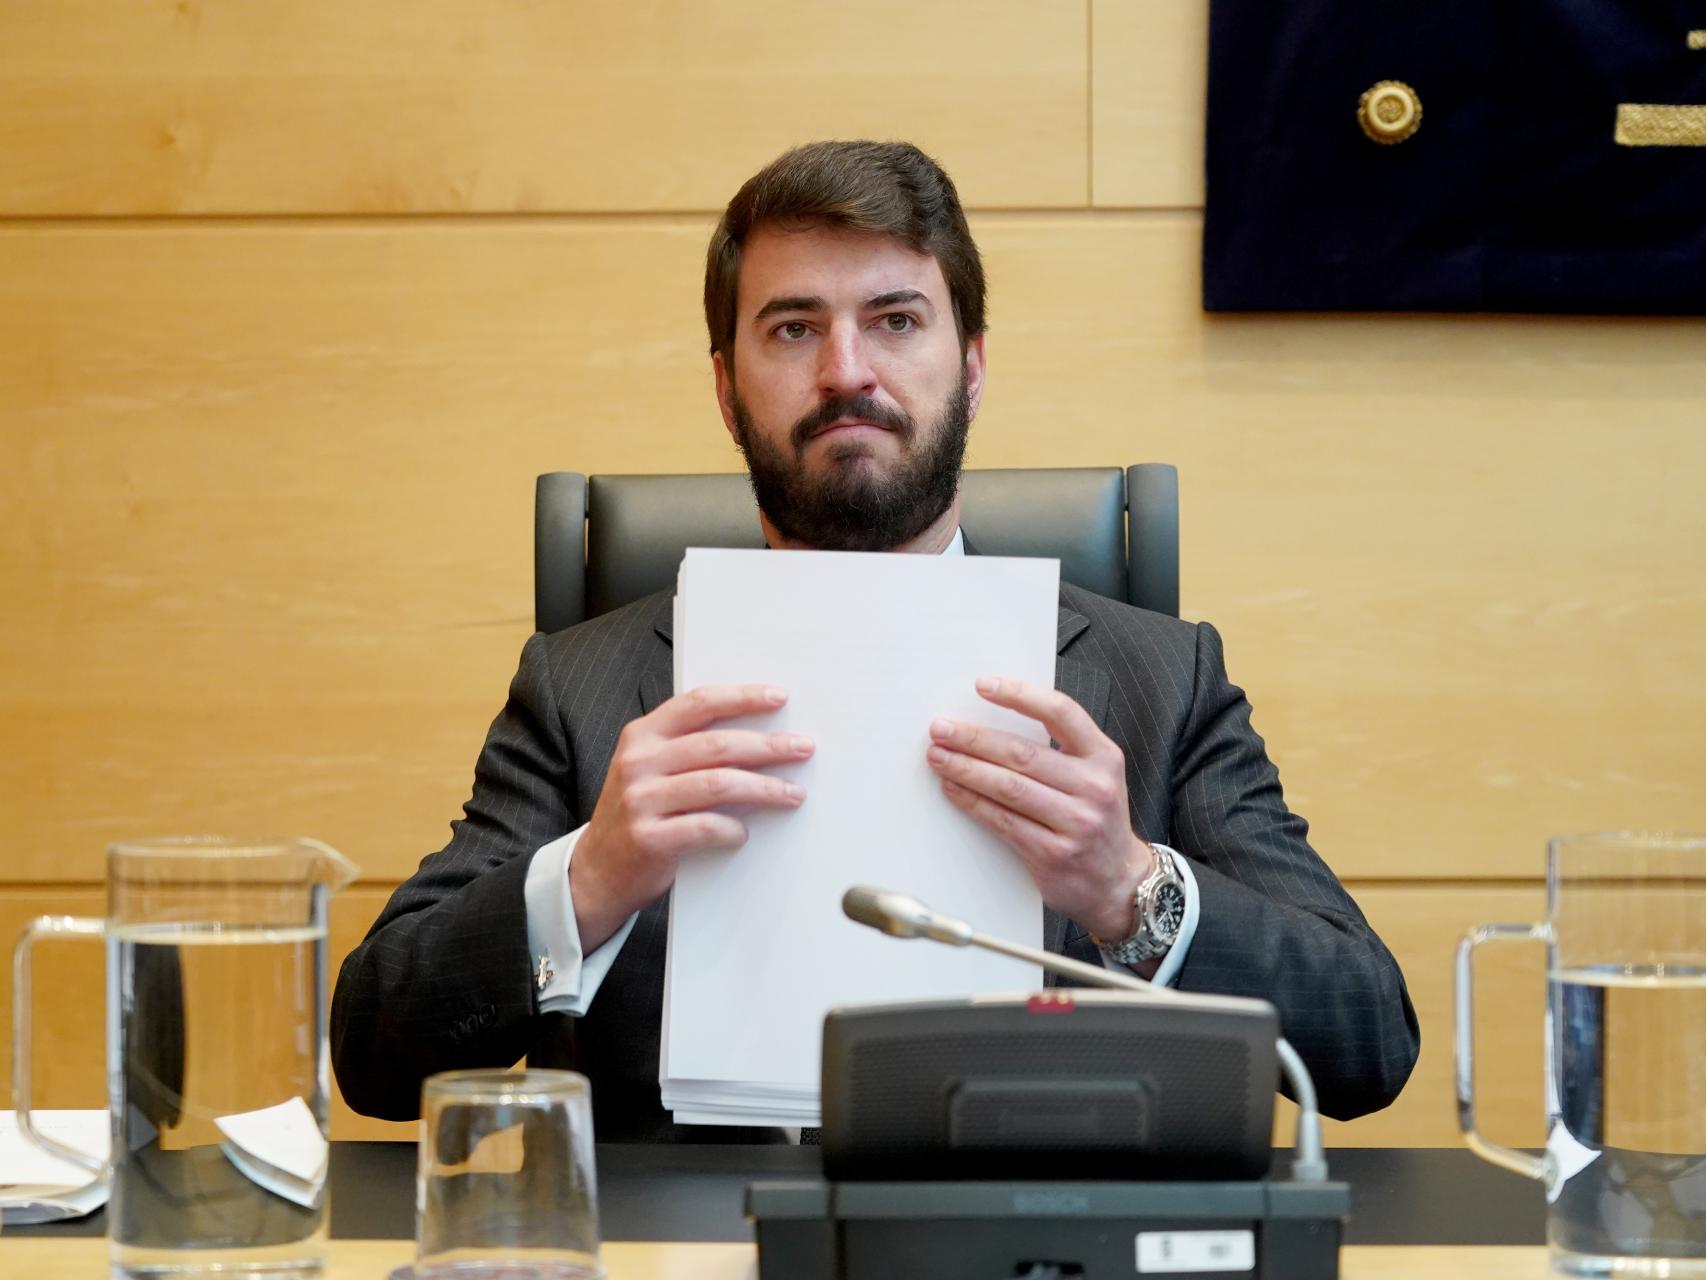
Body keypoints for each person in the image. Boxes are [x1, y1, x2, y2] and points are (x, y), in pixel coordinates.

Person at [331, 140, 1419, 1141]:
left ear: (973, 364)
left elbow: (1366, 1038)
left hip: (1030, 1240)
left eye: (895, 319)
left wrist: (1131, 886)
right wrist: (588, 878)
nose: (846, 370)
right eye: (793, 327)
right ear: (724, 386)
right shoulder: (582, 686)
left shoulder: (1157, 678)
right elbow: (374, 1051)